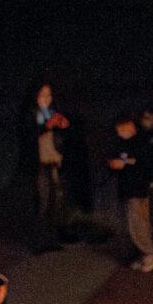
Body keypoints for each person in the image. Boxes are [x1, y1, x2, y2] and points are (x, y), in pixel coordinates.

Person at [17, 81, 91, 251]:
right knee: (42, 201)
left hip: (54, 161)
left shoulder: (52, 110)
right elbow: (27, 136)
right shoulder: (29, 114)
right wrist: (45, 126)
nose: (46, 98)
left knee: (57, 199)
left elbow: (62, 133)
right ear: (34, 96)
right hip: (39, 164)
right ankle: (39, 241)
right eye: (42, 95)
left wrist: (64, 125)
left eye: (49, 95)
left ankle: (56, 234)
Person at [106, 109, 153, 272]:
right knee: (138, 223)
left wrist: (125, 164)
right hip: (129, 188)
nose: (120, 133)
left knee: (138, 224)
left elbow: (145, 164)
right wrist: (113, 164)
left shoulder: (142, 142)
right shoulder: (124, 142)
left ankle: (151, 254)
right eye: (118, 130)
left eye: (123, 129)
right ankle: (144, 253)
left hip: (138, 189)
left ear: (131, 126)